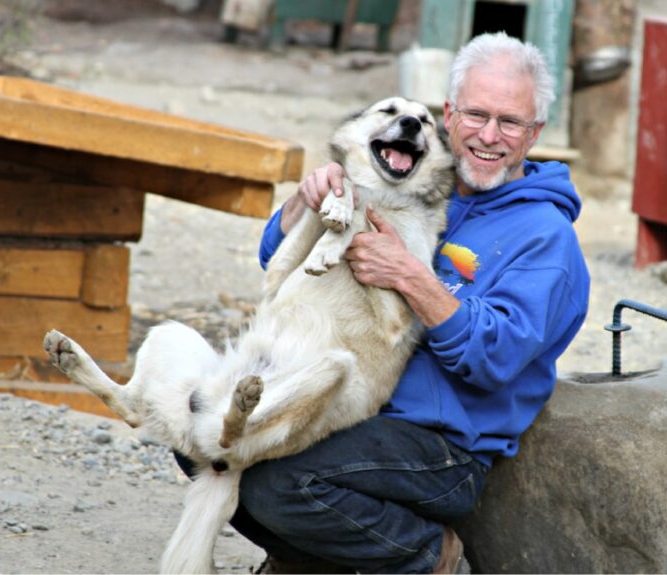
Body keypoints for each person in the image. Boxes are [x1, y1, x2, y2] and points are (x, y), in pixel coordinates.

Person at [180, 31, 590, 574]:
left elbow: (497, 357)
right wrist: (305, 202)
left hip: (442, 445)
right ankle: (316, 558)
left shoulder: (546, 238)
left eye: (510, 122)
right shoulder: (416, 180)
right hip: (348, 406)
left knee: (282, 486)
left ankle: (427, 557)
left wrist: (411, 276)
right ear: (449, 113)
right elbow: (279, 264)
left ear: (534, 133)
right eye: (476, 115)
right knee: (199, 438)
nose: (489, 136)